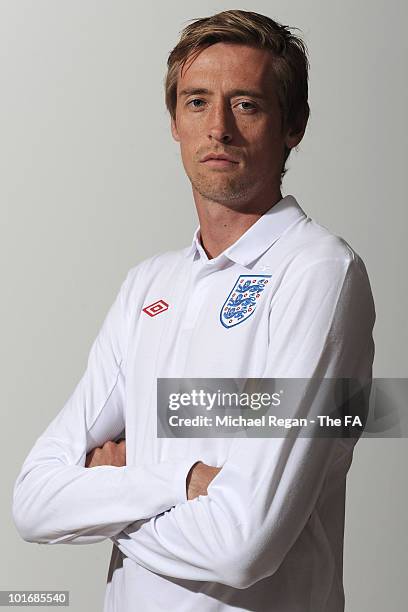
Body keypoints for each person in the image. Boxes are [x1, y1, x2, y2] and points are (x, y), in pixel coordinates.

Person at [12, 9, 375, 612]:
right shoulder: (147, 285)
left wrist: (106, 494)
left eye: (247, 104)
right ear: (175, 123)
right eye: (198, 102)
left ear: (294, 125)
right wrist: (180, 482)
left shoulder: (320, 273)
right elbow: (32, 502)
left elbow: (243, 546)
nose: (219, 129)